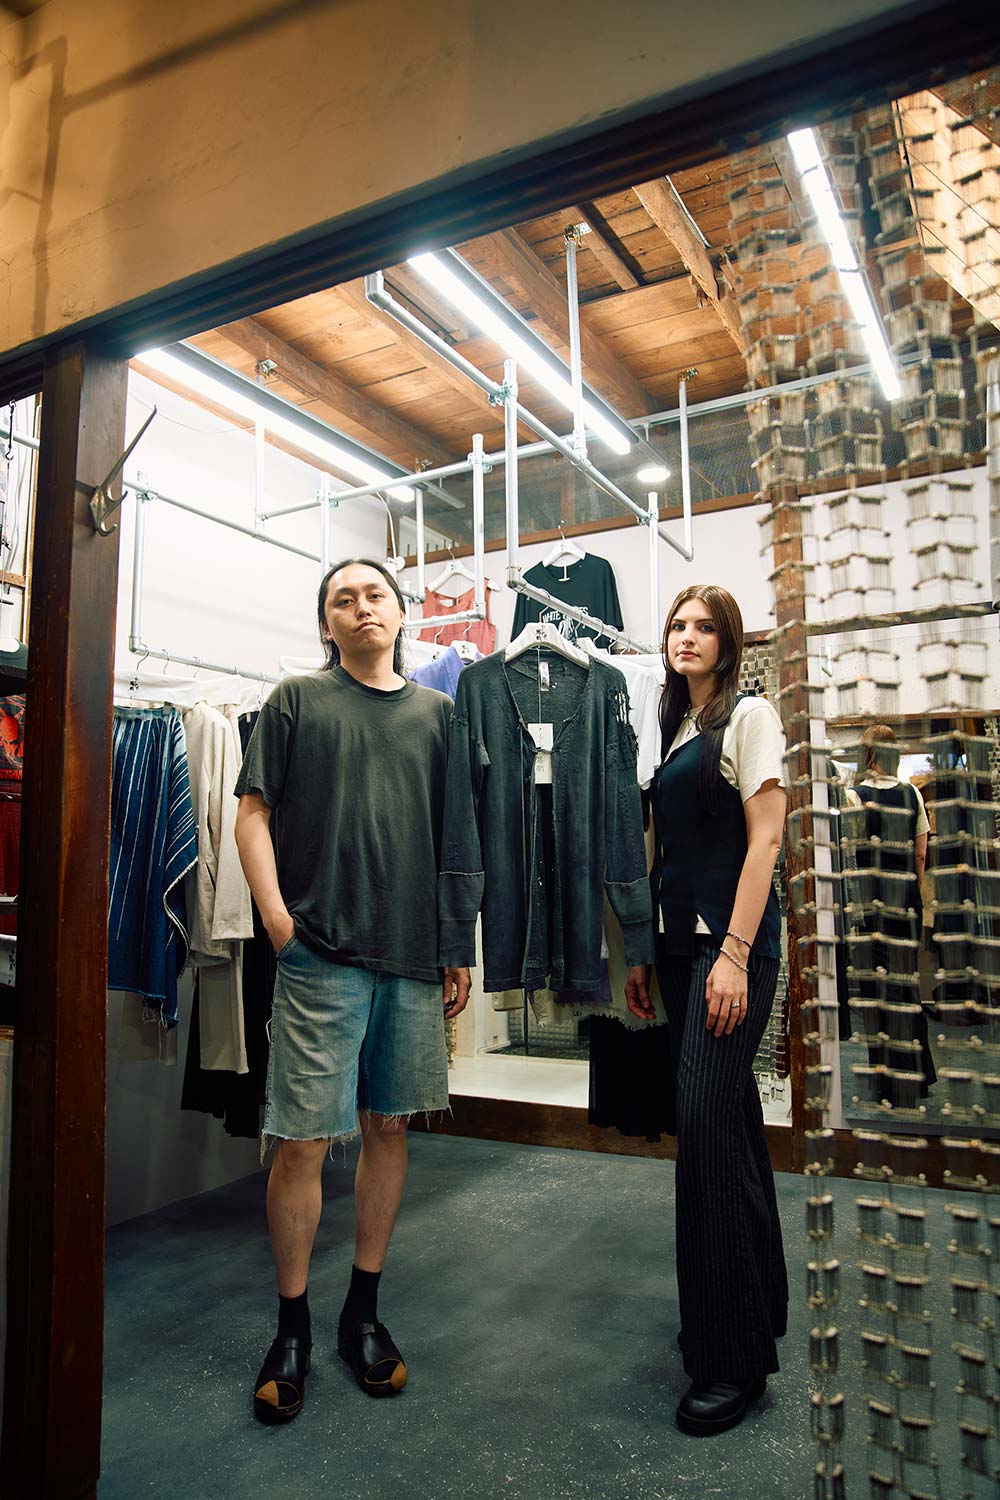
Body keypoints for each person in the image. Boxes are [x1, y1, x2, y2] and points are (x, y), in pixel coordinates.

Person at [234, 558, 471, 1424]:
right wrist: (277, 921)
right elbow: (251, 813)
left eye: (376, 594)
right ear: (326, 622)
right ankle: (291, 1325)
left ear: (402, 613)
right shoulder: (296, 700)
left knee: (389, 1128)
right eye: (344, 598)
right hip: (319, 952)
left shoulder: (439, 714)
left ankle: (361, 1312)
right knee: (301, 1142)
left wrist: (456, 943)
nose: (362, 607)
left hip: (410, 956)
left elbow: (456, 834)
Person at [625, 584, 788, 1437]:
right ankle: (757, 1309)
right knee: (729, 1125)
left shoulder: (749, 717)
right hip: (683, 951)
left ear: (729, 643)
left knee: (704, 1135)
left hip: (730, 952)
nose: (686, 637)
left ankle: (731, 1361)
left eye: (703, 627)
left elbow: (767, 840)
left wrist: (731, 951)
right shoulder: (677, 726)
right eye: (677, 625)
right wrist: (645, 953)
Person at [845, 723, 936, 1108]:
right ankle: (917, 1076)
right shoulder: (912, 794)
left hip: (871, 905)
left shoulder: (853, 796)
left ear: (866, 754)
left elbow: (850, 855)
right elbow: (920, 854)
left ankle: (886, 1082)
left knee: (877, 992)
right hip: (906, 901)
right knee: (906, 985)